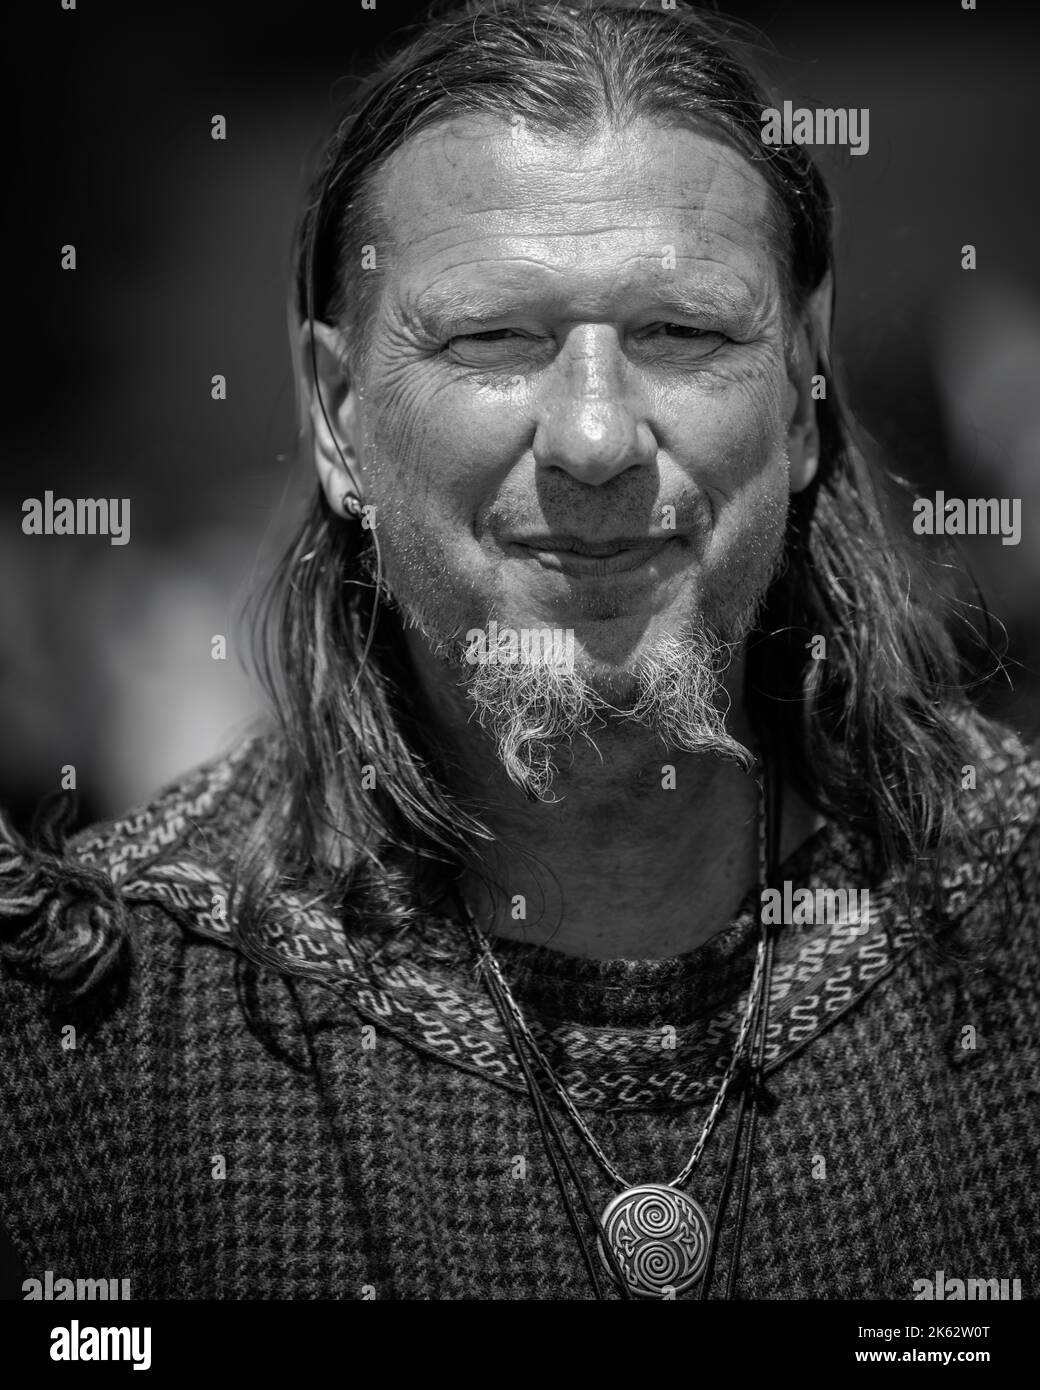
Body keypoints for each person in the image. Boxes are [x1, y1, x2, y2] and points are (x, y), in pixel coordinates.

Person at [1, 0, 1037, 1302]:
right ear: (337, 419)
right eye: (494, 339)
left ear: (803, 389)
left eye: (682, 334)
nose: (596, 439)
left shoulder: (1009, 915)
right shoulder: (104, 1021)